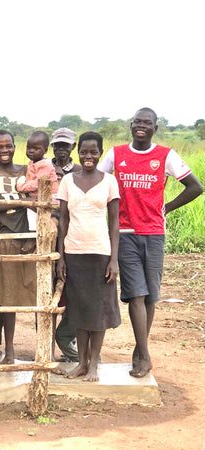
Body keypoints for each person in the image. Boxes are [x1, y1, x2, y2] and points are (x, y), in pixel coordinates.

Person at [97, 107, 203, 378]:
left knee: (151, 295)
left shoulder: (166, 156)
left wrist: (166, 208)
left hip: (154, 233)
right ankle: (144, 355)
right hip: (125, 233)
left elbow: (195, 187)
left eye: (147, 123)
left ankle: (139, 350)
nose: (141, 126)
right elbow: (97, 181)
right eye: (137, 122)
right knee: (136, 293)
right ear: (130, 125)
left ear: (156, 128)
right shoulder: (115, 154)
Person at [56, 131, 121, 382]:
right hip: (74, 253)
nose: (88, 156)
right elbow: (63, 220)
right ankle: (81, 362)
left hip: (100, 253)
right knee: (79, 311)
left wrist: (114, 259)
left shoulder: (109, 181)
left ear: (100, 153)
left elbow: (114, 224)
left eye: (94, 152)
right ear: (78, 152)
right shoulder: (68, 181)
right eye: (84, 152)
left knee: (99, 311)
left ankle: (94, 363)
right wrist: (61, 257)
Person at [0, 130, 35, 362]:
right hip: (5, 239)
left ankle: (43, 350)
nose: (4, 150)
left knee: (36, 295)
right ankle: (10, 350)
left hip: (29, 239)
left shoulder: (26, 170)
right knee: (7, 299)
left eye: (9, 146)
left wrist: (32, 237)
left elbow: (38, 203)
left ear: (15, 146)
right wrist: (21, 202)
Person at [50, 127, 81, 363]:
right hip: (48, 235)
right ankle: (47, 348)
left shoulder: (80, 171)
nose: (61, 149)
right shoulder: (43, 168)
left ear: (73, 147)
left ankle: (69, 340)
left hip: (74, 235)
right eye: (58, 145)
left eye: (65, 145)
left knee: (74, 291)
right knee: (46, 291)